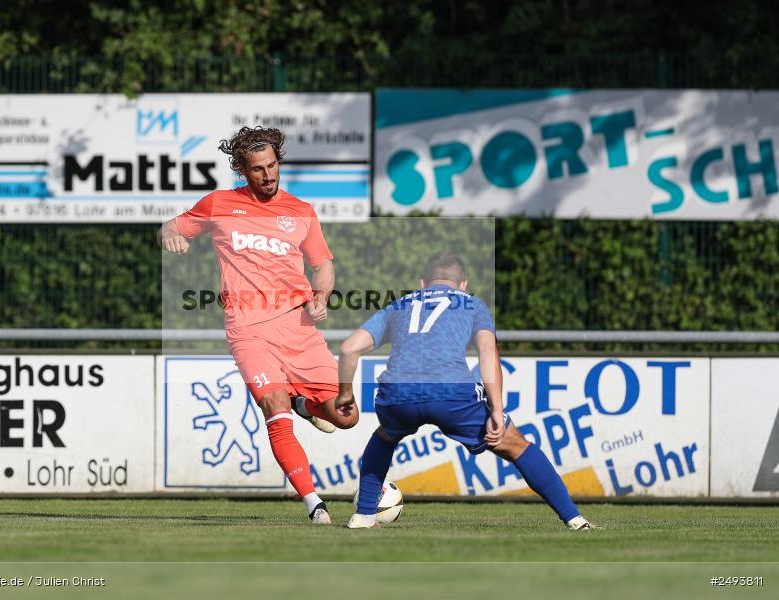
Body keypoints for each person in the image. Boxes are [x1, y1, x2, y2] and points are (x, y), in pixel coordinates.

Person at [158, 126, 359, 524]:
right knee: (274, 406)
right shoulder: (219, 204)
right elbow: (170, 227)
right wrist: (171, 237)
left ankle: (305, 404)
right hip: (248, 329)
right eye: (257, 169)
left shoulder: (301, 211)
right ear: (242, 170)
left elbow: (323, 266)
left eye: (272, 166)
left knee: (345, 415)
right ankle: (314, 504)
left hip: (299, 328)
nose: (267, 176)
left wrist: (321, 296)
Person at [337, 251, 597, 530]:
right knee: (515, 444)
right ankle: (575, 520)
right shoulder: (472, 304)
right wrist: (496, 409)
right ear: (463, 284)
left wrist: (345, 394)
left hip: (397, 394)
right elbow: (488, 352)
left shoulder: (399, 305)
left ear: (423, 283)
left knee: (385, 436)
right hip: (451, 393)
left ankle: (364, 516)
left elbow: (349, 348)